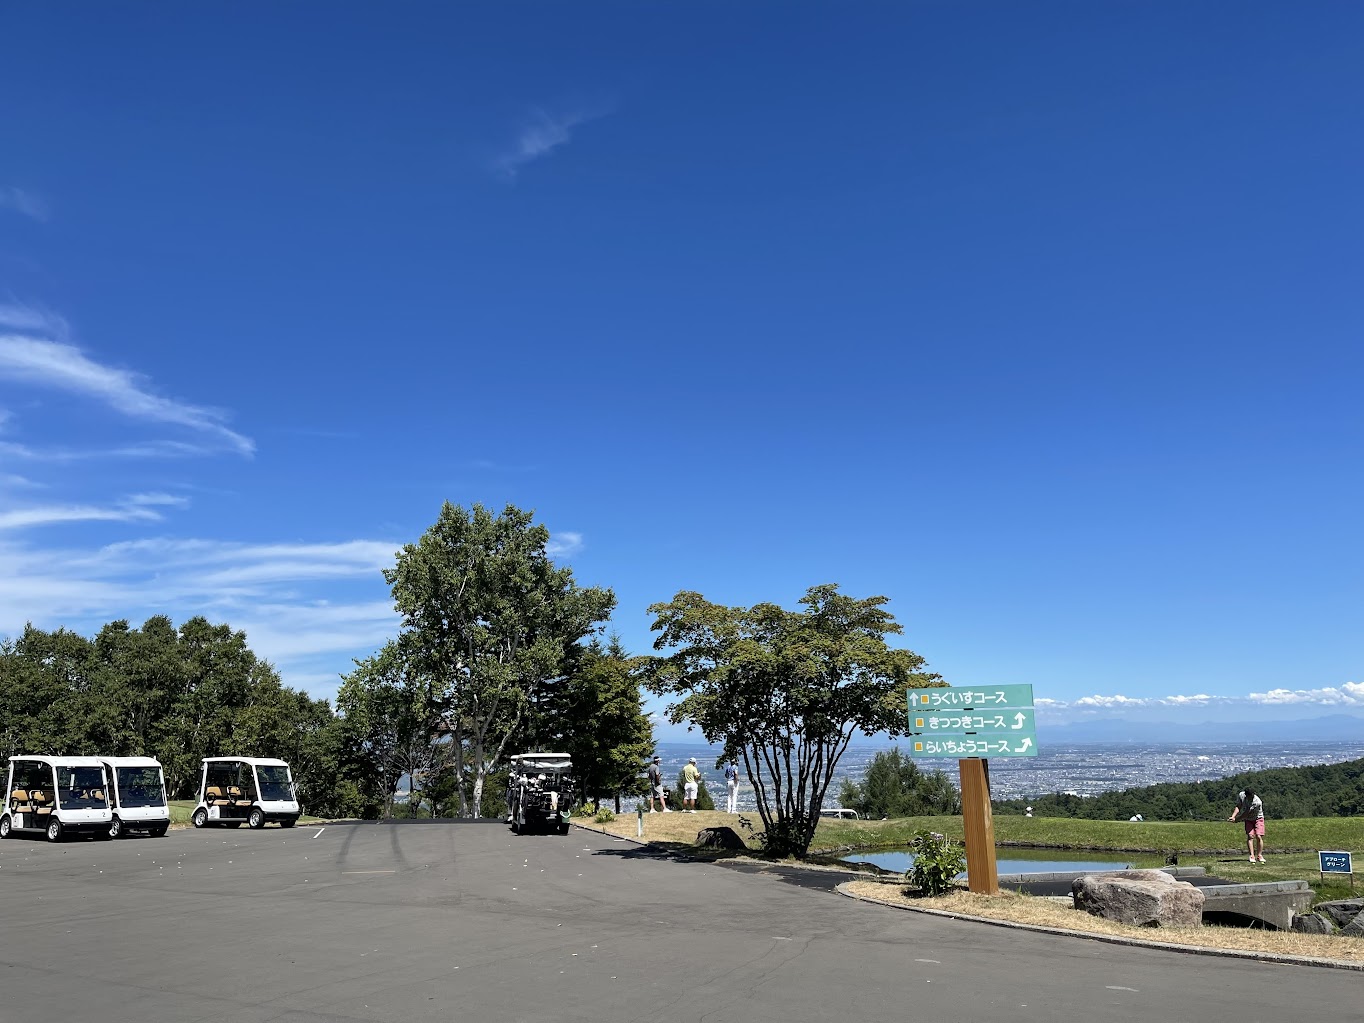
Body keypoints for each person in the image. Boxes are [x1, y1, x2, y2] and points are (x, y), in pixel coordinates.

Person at [1228, 787, 1265, 862]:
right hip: (1248, 819)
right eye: (1250, 796)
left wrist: (1237, 820)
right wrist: (1233, 816)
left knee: (1258, 836)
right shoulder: (1241, 795)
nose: (1251, 797)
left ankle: (1259, 855)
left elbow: (1246, 813)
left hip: (1258, 818)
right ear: (1246, 795)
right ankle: (1252, 855)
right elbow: (1239, 806)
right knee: (1250, 836)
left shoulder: (1257, 802)